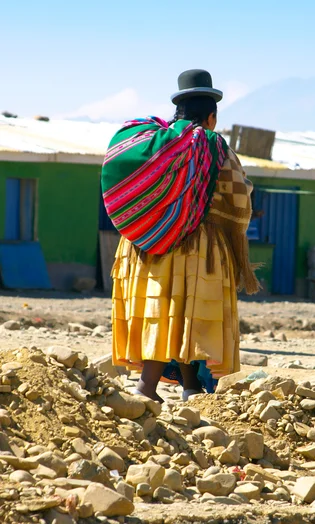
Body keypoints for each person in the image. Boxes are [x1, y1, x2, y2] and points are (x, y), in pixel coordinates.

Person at [101, 69, 259, 401]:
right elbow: (239, 195)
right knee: (185, 313)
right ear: (211, 117)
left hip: (143, 243)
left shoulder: (154, 142)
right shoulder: (213, 145)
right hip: (195, 246)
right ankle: (146, 387)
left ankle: (191, 385)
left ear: (178, 110)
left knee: (165, 310)